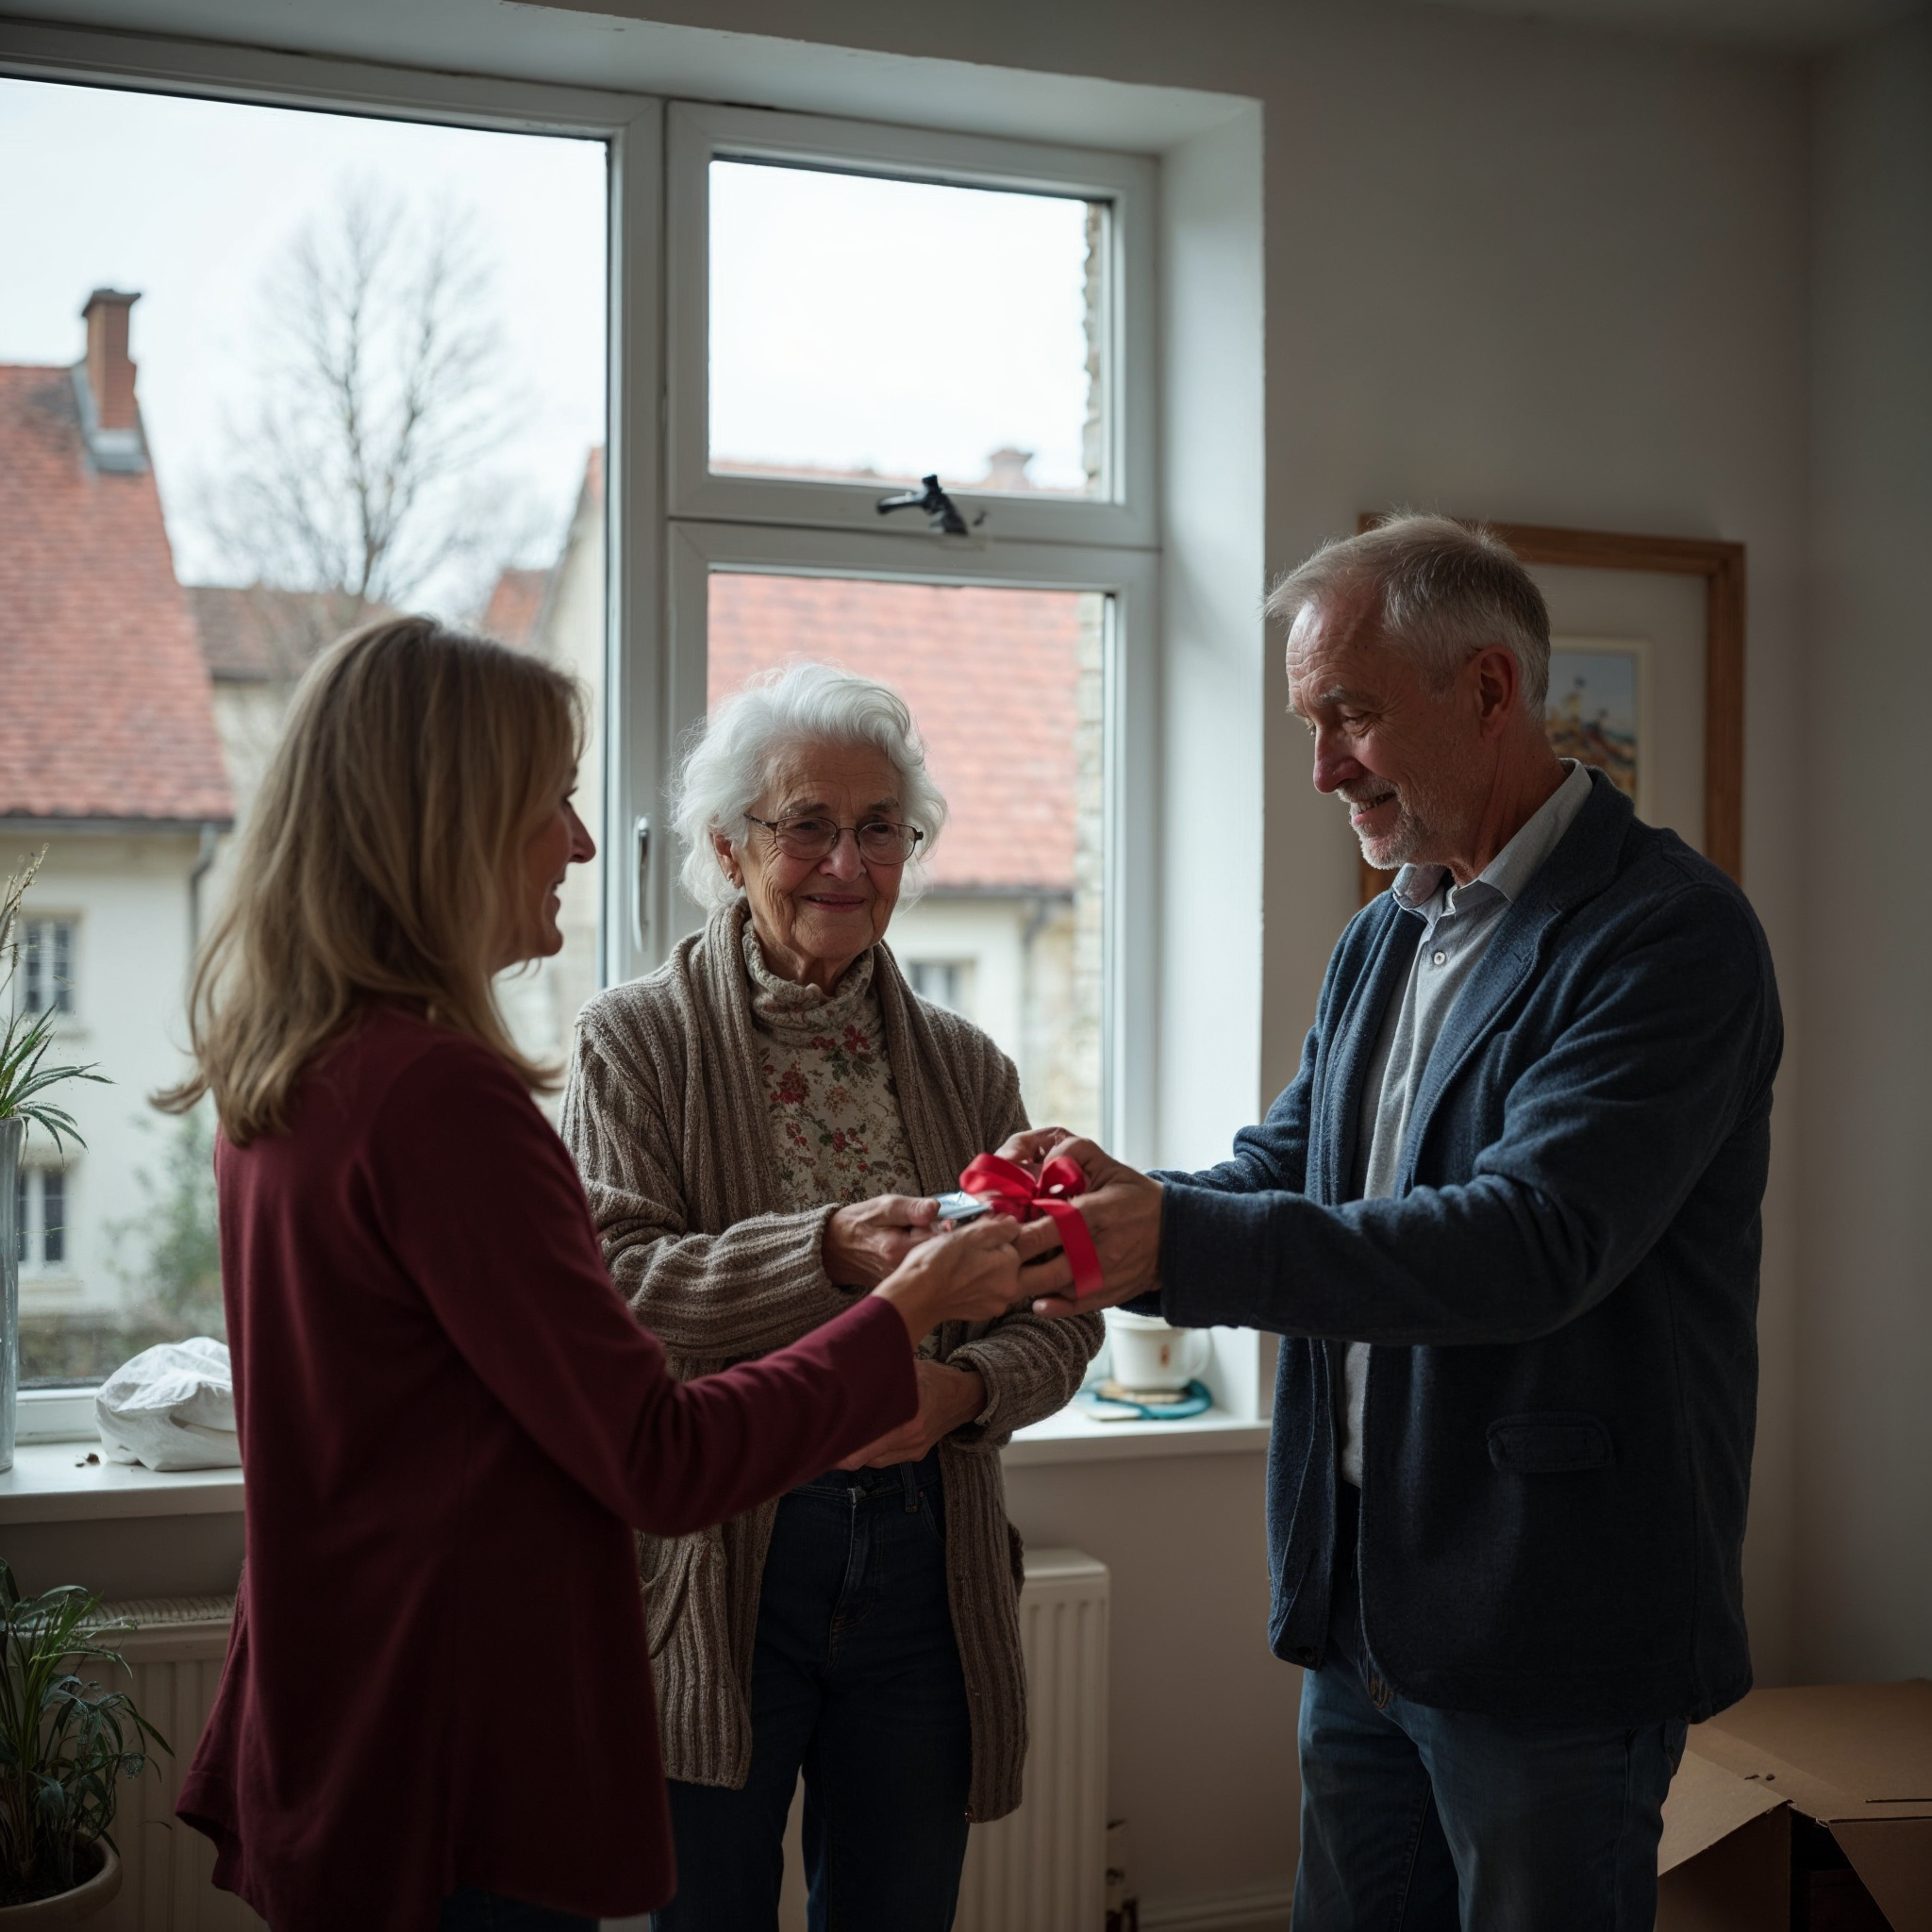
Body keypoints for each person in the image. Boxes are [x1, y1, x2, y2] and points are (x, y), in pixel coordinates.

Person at [162, 619, 1024, 1932]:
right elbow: (658, 1454)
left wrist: (964, 1381)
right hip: (449, 1729)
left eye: (881, 829)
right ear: (447, 825)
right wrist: (897, 1306)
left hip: (352, 1702)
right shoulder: (445, 1095)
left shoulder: (291, 1068)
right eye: (551, 800)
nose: (579, 842)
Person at [1016, 516, 1783, 1931]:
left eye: (1350, 716)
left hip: (1550, 1621)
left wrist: (1173, 1240)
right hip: (1363, 1599)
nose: (1322, 767)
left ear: (1489, 690)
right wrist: (1107, 1207)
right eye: (1310, 724)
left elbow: (1529, 1242)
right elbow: (1291, 1168)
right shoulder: (1385, 934)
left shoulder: (1670, 935)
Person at [561, 661, 1104, 1932]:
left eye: (881, 829)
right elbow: (619, 1289)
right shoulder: (633, 1039)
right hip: (721, 1561)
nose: (847, 864)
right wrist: (830, 1250)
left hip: (925, 1554)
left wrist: (961, 1393)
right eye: (807, 824)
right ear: (727, 845)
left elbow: (1065, 1310)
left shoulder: (968, 1065)